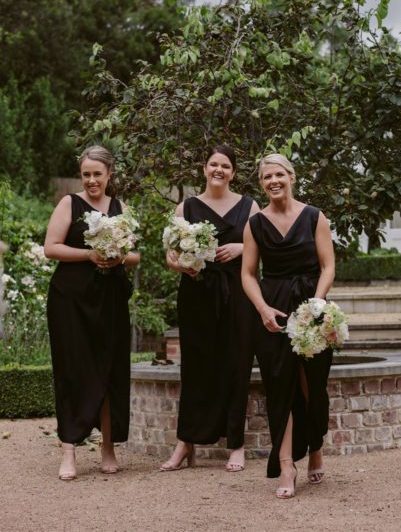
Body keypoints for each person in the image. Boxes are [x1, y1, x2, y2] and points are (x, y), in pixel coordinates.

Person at [159, 145, 260, 473]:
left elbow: (268, 245)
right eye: (214, 164)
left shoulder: (249, 206)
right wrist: (183, 266)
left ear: (233, 172)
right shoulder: (185, 208)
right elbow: (170, 257)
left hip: (238, 293)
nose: (219, 170)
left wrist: (243, 246)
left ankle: (236, 444)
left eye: (226, 166)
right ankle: (185, 443)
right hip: (197, 293)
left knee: (237, 365)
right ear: (204, 169)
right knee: (195, 368)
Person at [241, 153, 336, 499]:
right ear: (262, 183)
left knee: (313, 385)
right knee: (279, 386)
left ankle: (315, 449)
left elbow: (327, 266)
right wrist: (263, 308)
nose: (273, 181)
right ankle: (285, 464)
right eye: (267, 177)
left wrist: (317, 303)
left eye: (279, 174)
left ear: (292, 177)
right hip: (273, 310)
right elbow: (248, 274)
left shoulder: (314, 216)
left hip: (313, 304)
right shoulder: (255, 223)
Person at [44, 146, 140, 480]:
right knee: (72, 370)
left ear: (109, 174)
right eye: (86, 174)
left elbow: (135, 255)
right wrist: (89, 255)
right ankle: (68, 449)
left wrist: (116, 256)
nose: (91, 180)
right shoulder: (69, 203)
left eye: (97, 174)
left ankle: (108, 448)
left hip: (110, 299)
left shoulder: (120, 207)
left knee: (110, 370)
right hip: (70, 300)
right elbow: (50, 248)